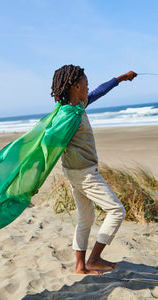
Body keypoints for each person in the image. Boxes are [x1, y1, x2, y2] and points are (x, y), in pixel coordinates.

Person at [51, 65, 137, 275]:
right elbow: (49, 144)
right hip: (85, 174)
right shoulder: (68, 115)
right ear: (77, 86)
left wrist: (121, 78)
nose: (88, 88)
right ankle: (95, 258)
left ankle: (80, 266)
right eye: (86, 84)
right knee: (117, 211)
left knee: (86, 219)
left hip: (75, 172)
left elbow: (99, 91)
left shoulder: (78, 106)